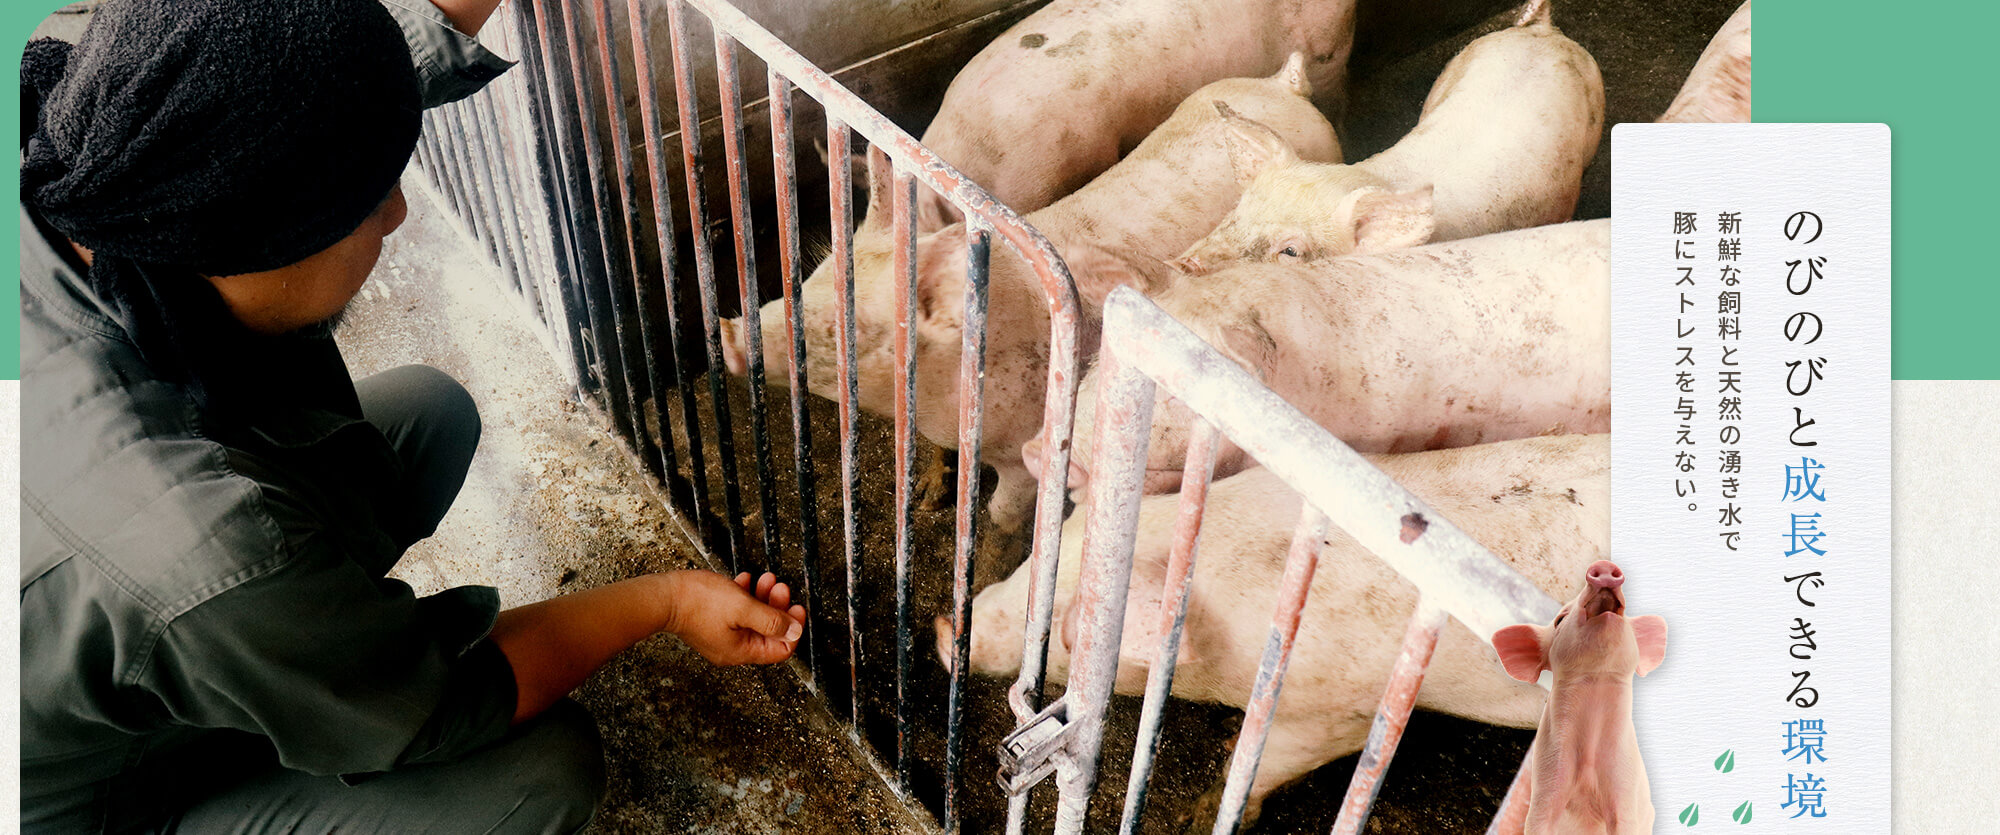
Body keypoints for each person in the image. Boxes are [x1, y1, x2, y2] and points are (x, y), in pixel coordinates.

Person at [17, 0, 808, 831]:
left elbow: (302, 86)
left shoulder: (87, 130)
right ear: (260, 241)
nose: (397, 212)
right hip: (94, 795)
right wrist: (668, 600)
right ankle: (295, 690)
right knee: (542, 771)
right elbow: (447, 706)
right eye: (364, 201)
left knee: (428, 416)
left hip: (88, 617)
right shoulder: (202, 541)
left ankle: (301, 657)